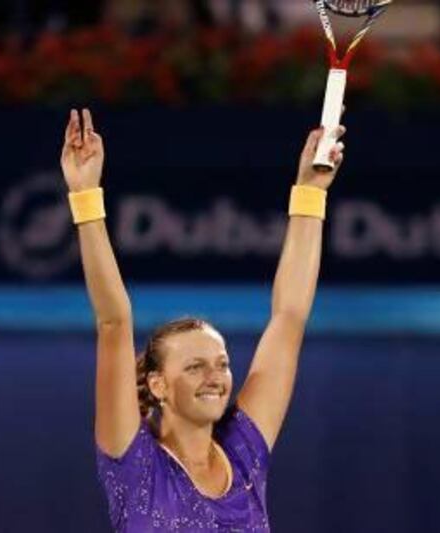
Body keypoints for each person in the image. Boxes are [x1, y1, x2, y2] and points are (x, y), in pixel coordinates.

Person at [60, 108, 345, 531]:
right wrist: (85, 197)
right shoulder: (134, 464)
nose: (216, 377)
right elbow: (114, 322)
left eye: (222, 363)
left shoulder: (244, 453)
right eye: (195, 366)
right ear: (157, 384)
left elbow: (288, 318)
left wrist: (310, 191)